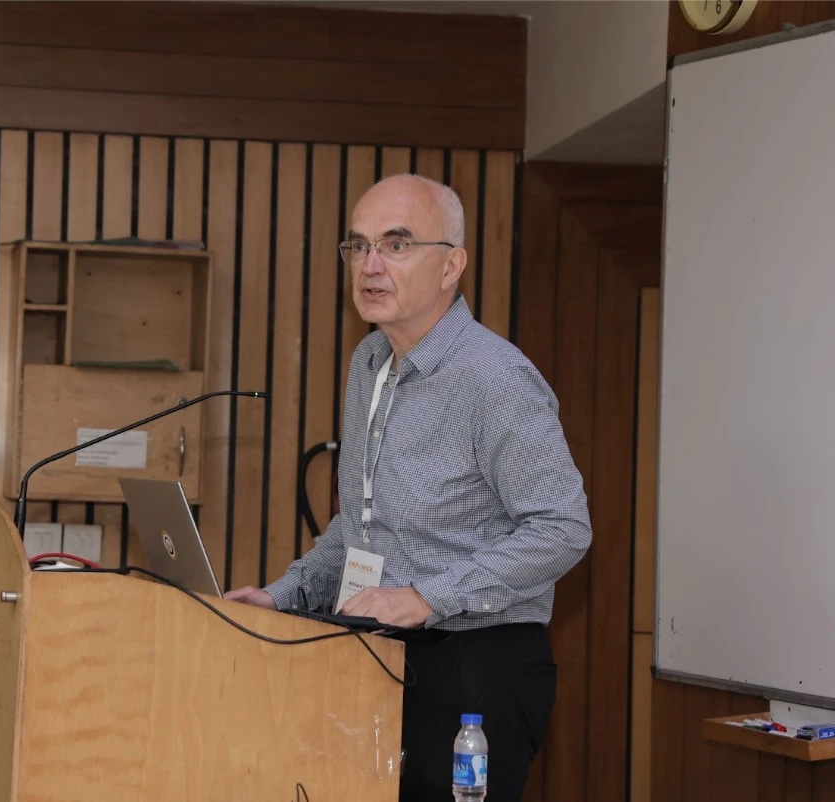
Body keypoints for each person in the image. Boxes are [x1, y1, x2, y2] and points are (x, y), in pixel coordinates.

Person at [224, 174, 591, 802]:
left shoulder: (494, 377)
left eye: (396, 245)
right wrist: (282, 599)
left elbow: (563, 530)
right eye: (358, 246)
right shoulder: (368, 365)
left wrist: (427, 596)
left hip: (476, 669)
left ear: (452, 265)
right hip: (380, 658)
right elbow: (361, 528)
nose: (370, 265)